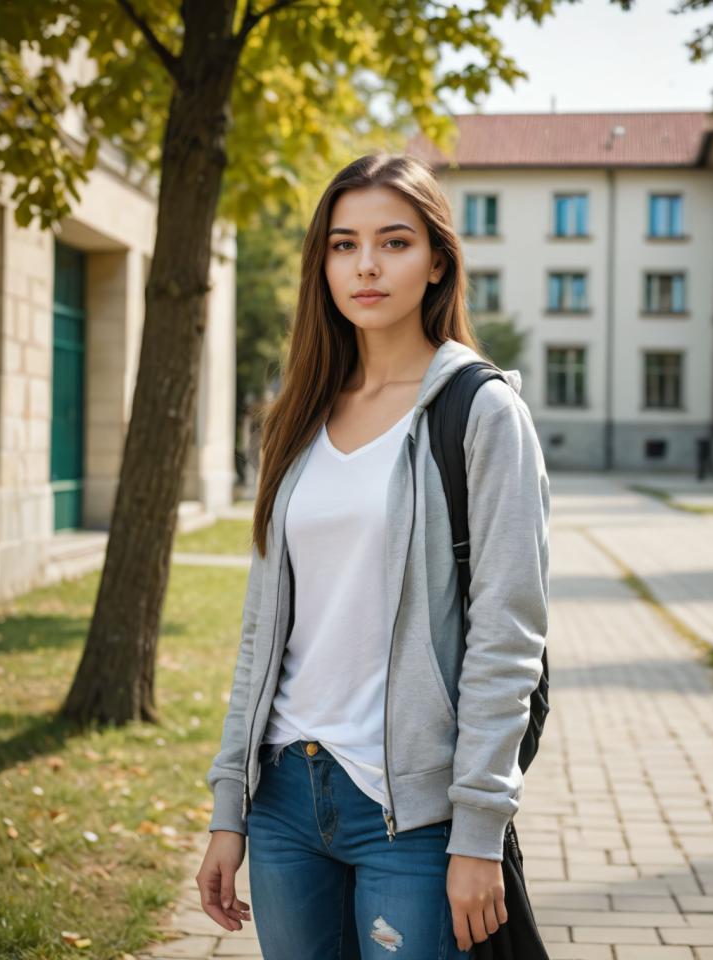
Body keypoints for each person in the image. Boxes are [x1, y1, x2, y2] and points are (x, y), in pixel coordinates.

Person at [195, 153, 551, 959]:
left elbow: (508, 636)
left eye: (394, 243)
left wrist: (479, 830)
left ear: (436, 263)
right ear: (321, 263)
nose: (366, 266)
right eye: (343, 244)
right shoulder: (296, 416)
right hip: (285, 796)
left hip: (411, 813)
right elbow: (261, 631)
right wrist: (229, 808)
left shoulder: (483, 412)